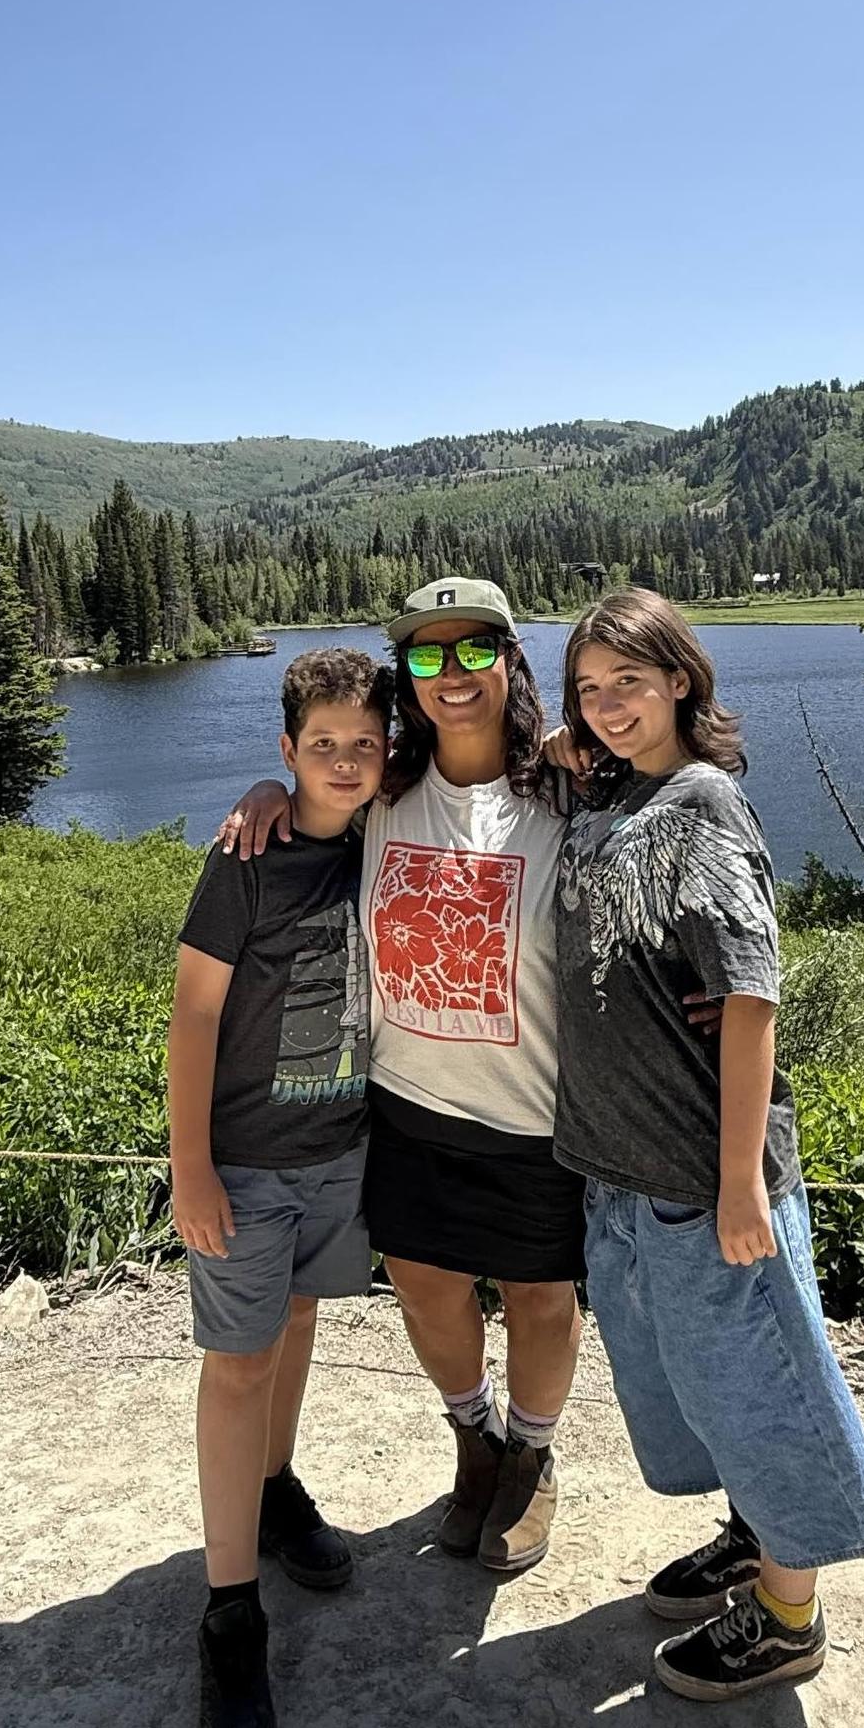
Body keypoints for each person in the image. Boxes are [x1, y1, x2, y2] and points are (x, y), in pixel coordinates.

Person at [553, 588, 864, 1700]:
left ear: (684, 683)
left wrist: (742, 1182)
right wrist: (570, 742)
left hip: (707, 1179)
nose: (607, 708)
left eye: (630, 685)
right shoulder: (618, 788)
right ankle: (754, 1539)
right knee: (709, 1387)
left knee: (761, 1391)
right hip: (632, 1173)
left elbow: (752, 994)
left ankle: (790, 1617)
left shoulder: (700, 806)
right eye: (590, 689)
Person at [220, 579, 584, 1576]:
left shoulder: (564, 794)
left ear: (511, 659)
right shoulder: (381, 795)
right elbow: (309, 797)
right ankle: (475, 1441)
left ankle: (533, 1453)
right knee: (428, 1294)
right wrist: (267, 791)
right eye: (427, 657)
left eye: (473, 650)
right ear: (407, 680)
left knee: (542, 1301)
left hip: (535, 1116)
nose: (452, 673)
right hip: (409, 1109)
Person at [168, 646, 393, 1728]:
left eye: (363, 744)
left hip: (339, 1155)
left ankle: (273, 1486)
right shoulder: (242, 861)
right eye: (321, 746)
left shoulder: (384, 839)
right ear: (286, 750)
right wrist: (191, 1165)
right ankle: (229, 1613)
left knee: (298, 1326)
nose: (344, 763)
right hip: (248, 1165)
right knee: (238, 1363)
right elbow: (194, 1017)